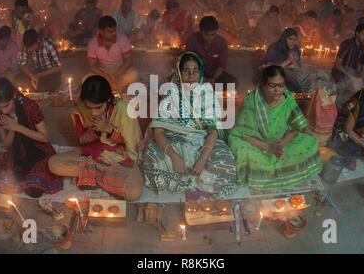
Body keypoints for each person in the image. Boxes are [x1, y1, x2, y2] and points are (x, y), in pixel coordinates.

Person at [137, 52, 237, 198]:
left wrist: (202, 160)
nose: (191, 76)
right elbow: (158, 132)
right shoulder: (171, 93)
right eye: (186, 71)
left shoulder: (206, 94)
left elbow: (213, 132)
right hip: (174, 142)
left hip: (202, 142)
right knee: (151, 160)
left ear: (200, 72)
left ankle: (190, 178)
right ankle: (198, 180)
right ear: (179, 72)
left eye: (195, 71)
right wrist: (175, 158)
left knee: (226, 165)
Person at [48, 75, 143, 201]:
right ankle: (103, 177)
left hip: (119, 157)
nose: (93, 113)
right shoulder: (80, 109)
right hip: (91, 155)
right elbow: (82, 141)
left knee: (135, 192)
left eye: (98, 107)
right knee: (53, 164)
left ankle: (89, 176)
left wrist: (109, 130)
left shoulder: (124, 110)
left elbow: (131, 146)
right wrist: (95, 131)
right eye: (89, 107)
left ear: (108, 99)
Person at [228, 65, 322, 190]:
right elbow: (242, 133)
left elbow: (296, 128)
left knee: (306, 147)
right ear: (263, 85)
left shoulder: (288, 101)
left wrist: (282, 143)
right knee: (241, 150)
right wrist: (269, 147)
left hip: (280, 140)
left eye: (281, 85)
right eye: (272, 86)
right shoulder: (251, 101)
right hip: (255, 141)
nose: (277, 90)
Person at [0, 78, 63, 197]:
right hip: (16, 150)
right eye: (0, 108)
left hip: (37, 148)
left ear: (13, 95)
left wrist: (17, 127)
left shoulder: (30, 106)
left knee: (34, 191)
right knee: (3, 185)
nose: (4, 110)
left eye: (6, 106)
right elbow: (6, 144)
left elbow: (45, 138)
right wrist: (12, 130)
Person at [185, 16, 238, 88]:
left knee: (233, 82)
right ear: (200, 31)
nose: (210, 38)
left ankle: (214, 95)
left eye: (213, 34)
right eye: (206, 34)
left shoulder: (221, 42)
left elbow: (222, 65)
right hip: (196, 74)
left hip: (214, 74)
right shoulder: (192, 40)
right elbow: (189, 63)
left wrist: (214, 78)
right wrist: (203, 79)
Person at [86, 16, 135, 93]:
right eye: (110, 31)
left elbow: (128, 61)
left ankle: (106, 85)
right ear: (101, 32)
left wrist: (116, 75)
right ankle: (113, 84)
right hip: (102, 70)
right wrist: (105, 76)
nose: (114, 33)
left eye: (115, 30)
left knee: (134, 75)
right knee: (86, 79)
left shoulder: (122, 38)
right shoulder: (93, 43)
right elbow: (92, 66)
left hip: (120, 69)